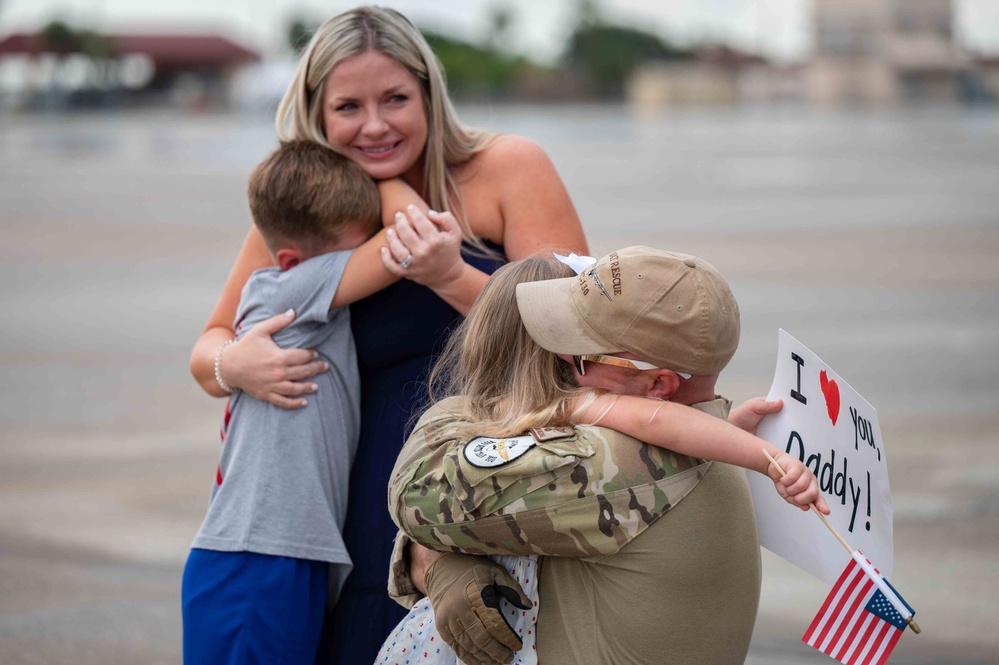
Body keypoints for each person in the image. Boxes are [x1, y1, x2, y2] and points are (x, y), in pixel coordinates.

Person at [187, 6, 588, 662]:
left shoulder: (509, 167)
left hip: (498, 492)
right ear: (317, 112)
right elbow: (208, 348)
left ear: (429, 93)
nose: (374, 124)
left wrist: (450, 274)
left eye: (395, 98)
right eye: (349, 106)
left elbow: (571, 331)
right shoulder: (309, 213)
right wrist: (237, 363)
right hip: (364, 508)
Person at [388, 248, 830, 665]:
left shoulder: (611, 460)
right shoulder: (712, 441)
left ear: (657, 386)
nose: (560, 359)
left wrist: (511, 400)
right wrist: (438, 560)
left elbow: (417, 493)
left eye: (576, 357)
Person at [182, 141, 388, 663]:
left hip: (280, 550)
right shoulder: (289, 289)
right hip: (258, 556)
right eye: (350, 251)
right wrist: (392, 179)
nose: (356, 258)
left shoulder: (300, 284)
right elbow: (404, 248)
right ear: (295, 261)